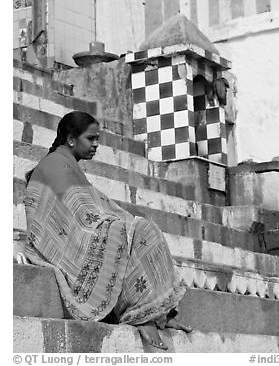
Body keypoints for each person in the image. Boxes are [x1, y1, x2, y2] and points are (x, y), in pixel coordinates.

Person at [24, 111, 192, 350]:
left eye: (97, 138)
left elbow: (87, 206)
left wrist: (118, 220)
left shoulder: (67, 163)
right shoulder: (55, 164)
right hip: (65, 244)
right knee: (129, 231)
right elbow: (77, 217)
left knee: (143, 228)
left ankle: (157, 314)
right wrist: (116, 222)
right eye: (91, 138)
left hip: (81, 232)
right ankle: (139, 315)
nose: (96, 144)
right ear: (71, 139)